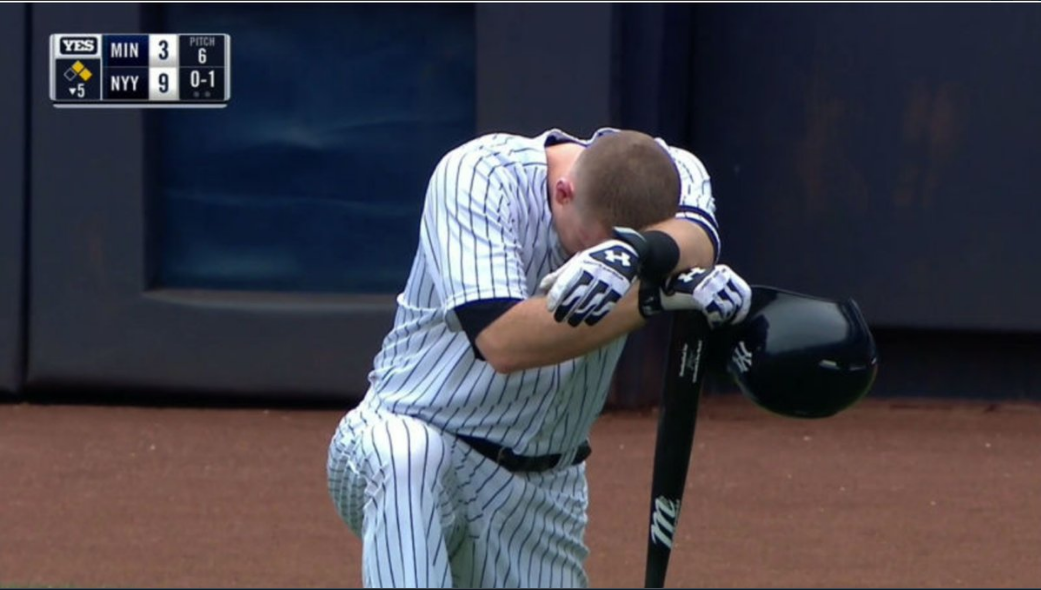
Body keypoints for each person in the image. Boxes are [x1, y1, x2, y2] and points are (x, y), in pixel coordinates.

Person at [326, 127, 752, 588]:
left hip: (541, 490)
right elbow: (502, 342)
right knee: (408, 455)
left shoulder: (674, 170)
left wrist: (630, 254)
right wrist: (651, 298)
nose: (589, 261)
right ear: (563, 192)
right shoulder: (478, 176)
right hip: (415, 440)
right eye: (586, 246)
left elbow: (698, 240)